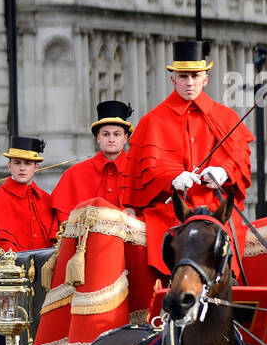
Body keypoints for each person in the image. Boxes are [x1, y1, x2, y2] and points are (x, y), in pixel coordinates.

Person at [121, 39, 252, 276]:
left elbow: (240, 158)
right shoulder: (152, 121)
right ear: (173, 79)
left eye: (195, 75)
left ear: (205, 78)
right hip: (170, 212)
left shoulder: (227, 117)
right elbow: (146, 168)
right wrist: (172, 177)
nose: (189, 82)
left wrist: (224, 171)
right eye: (183, 76)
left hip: (215, 210)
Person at [49, 100, 134, 241]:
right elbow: (63, 225)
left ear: (125, 138)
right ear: (98, 138)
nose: (111, 139)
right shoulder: (74, 174)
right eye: (106, 134)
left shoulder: (139, 171)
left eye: (117, 134)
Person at [0, 135, 54, 277]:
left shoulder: (48, 200)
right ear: (9, 166)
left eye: (28, 163)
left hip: (46, 278)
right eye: (17, 163)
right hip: (10, 281)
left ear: (36, 167)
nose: (22, 168)